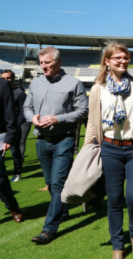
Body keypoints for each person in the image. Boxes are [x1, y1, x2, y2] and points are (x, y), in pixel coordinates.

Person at [83, 42, 133, 259]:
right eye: (117, 58)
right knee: (114, 200)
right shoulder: (98, 89)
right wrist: (87, 149)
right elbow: (92, 122)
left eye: (125, 57)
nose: (123, 61)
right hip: (110, 149)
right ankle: (118, 245)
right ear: (106, 61)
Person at [23, 47, 88, 244]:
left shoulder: (74, 83)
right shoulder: (36, 83)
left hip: (64, 141)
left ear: (58, 62)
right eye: (42, 63)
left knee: (58, 183)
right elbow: (27, 107)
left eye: (48, 63)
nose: (44, 66)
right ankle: (64, 209)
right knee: (51, 184)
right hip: (42, 141)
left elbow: (83, 111)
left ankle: (49, 229)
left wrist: (57, 119)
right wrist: (32, 118)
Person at [0, 78, 23, 223]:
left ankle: (12, 206)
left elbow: (9, 111)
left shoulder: (2, 84)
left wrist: (9, 136)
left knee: (0, 178)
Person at [1, 69, 26, 182]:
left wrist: (16, 125)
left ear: (13, 78)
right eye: (3, 78)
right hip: (3, 127)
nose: (6, 80)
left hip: (14, 126)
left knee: (15, 151)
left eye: (8, 78)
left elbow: (23, 111)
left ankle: (17, 172)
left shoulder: (19, 93)